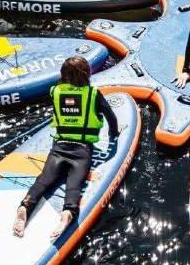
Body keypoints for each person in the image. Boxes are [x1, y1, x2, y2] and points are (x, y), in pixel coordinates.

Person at [13, 56, 119, 241]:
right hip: (82, 150)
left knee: (43, 181)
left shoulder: (55, 91)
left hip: (59, 147)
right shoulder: (92, 94)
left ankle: (25, 205)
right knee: (73, 185)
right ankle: (67, 214)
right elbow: (111, 117)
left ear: (62, 74)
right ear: (87, 74)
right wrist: (115, 133)